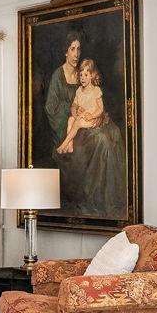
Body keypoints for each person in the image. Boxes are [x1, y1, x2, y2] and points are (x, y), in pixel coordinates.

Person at [55, 59, 126, 216]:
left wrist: (91, 115)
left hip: (92, 119)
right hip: (82, 116)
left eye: (86, 75)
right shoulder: (79, 91)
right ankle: (70, 143)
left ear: (92, 75)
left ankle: (65, 143)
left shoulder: (96, 91)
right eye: (81, 75)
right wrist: (76, 111)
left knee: (78, 123)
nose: (83, 78)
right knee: (71, 119)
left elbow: (100, 109)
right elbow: (73, 106)